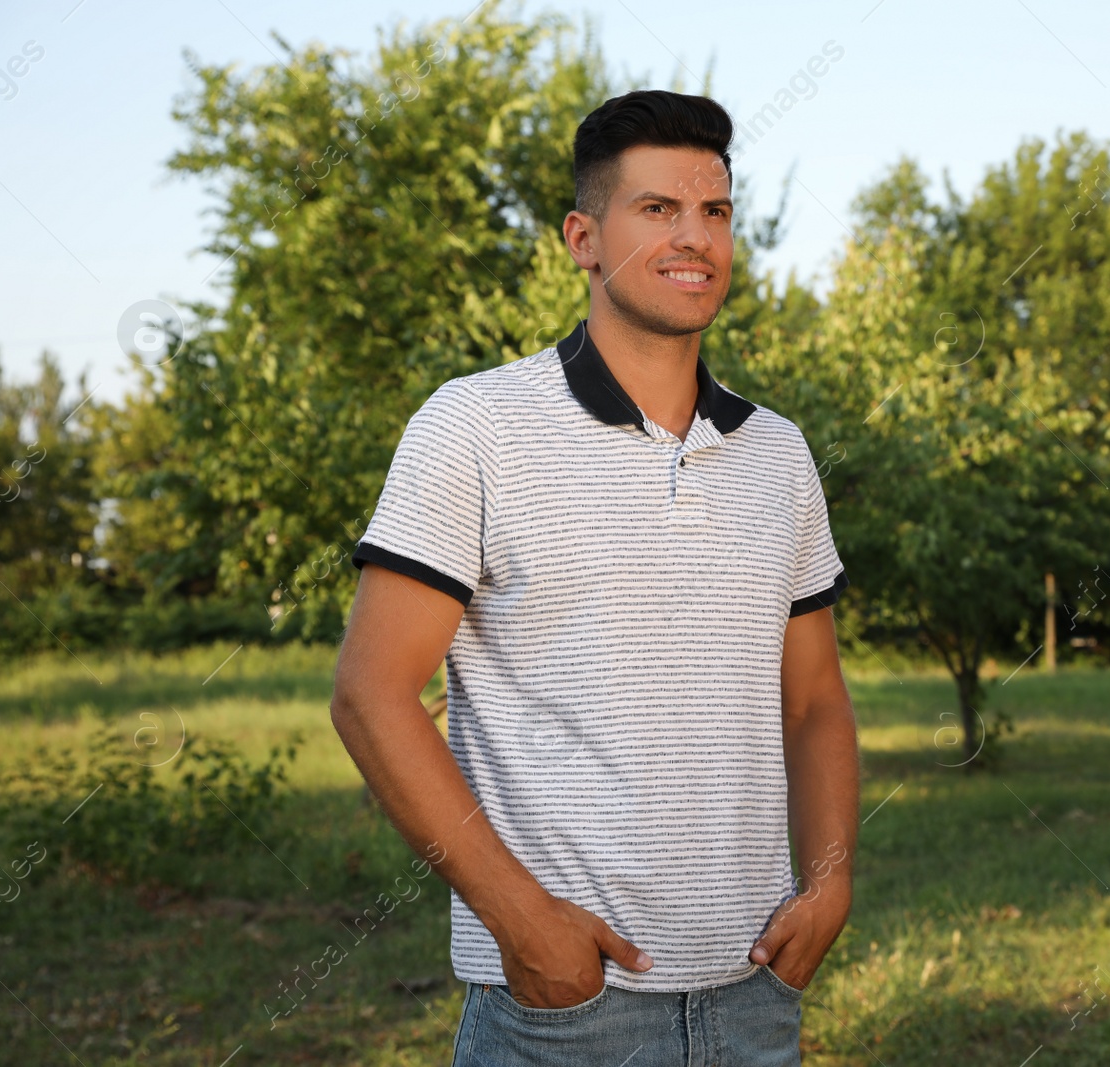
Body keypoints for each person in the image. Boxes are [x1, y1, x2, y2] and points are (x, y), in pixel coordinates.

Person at [330, 89, 859, 1066]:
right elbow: (371, 693)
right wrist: (522, 921)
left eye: (714, 211)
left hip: (755, 994)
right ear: (583, 236)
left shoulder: (778, 452)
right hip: (564, 1007)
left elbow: (815, 699)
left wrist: (828, 881)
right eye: (656, 209)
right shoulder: (473, 427)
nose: (693, 237)